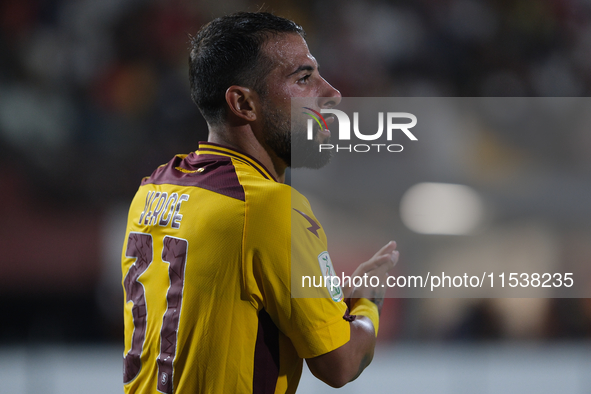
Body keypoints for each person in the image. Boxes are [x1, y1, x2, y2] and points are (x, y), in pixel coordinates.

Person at [121, 11, 399, 394]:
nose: (331, 92)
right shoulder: (267, 207)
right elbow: (341, 363)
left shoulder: (151, 190)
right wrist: (368, 301)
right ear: (243, 104)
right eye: (304, 78)